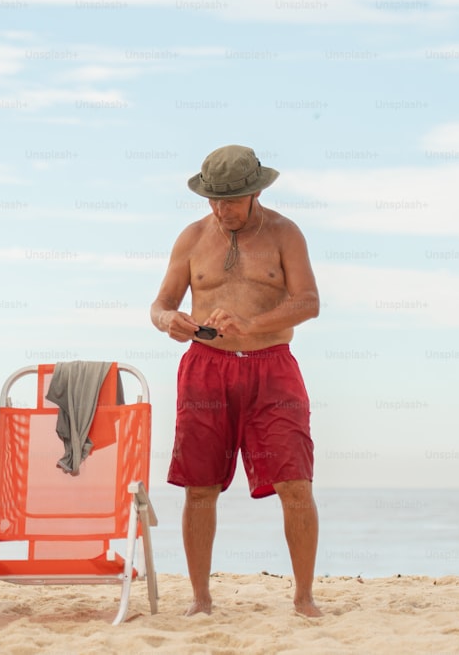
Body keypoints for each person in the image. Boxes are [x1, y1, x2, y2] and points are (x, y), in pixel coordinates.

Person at [150, 144, 322, 618]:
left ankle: (304, 597)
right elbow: (160, 304)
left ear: (255, 192)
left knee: (295, 483)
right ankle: (201, 599)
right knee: (199, 487)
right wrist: (170, 321)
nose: (221, 210)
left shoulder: (286, 234)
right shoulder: (190, 238)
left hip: (273, 367)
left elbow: (309, 302)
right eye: (213, 200)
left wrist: (253, 323)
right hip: (206, 368)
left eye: (231, 200)